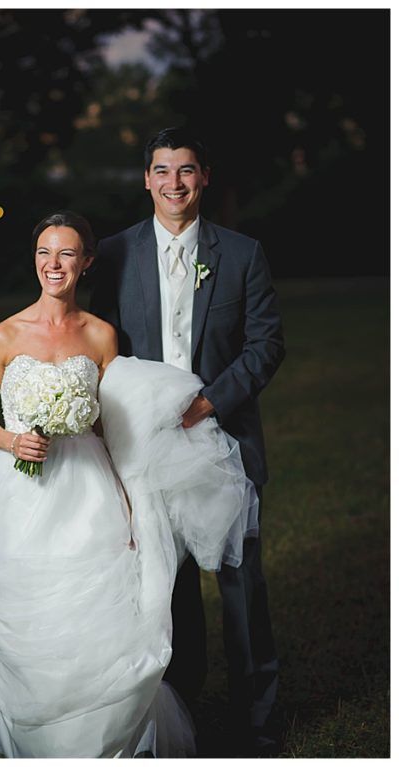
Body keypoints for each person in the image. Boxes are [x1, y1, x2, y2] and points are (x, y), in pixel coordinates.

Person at [0, 211, 257, 757]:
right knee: (29, 599)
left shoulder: (100, 334)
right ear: (34, 261)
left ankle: (96, 733)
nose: (55, 265)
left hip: (89, 485)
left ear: (86, 262)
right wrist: (11, 441)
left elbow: (108, 424)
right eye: (45, 253)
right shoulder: (4, 334)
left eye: (67, 254)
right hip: (21, 489)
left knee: (97, 604)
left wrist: (128, 501)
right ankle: (35, 723)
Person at [91, 126, 285, 755]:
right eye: (162, 171)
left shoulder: (243, 252)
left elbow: (266, 345)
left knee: (240, 585)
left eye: (187, 170)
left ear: (203, 177)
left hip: (222, 439)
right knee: (166, 589)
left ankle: (257, 721)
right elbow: (104, 346)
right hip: (147, 448)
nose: (175, 183)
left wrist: (209, 402)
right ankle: (183, 716)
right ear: (146, 179)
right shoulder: (116, 254)